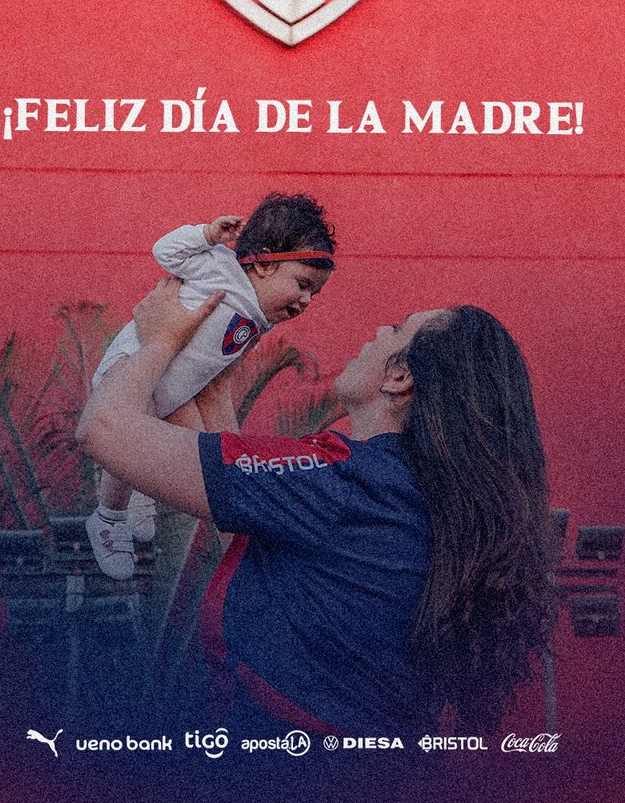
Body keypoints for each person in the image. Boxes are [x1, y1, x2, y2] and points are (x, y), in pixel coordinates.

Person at [76, 279, 557, 738]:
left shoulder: (341, 481)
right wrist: (211, 388)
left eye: (396, 328)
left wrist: (158, 340)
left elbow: (104, 428)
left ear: (400, 376)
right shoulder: (409, 492)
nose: (376, 333)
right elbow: (271, 546)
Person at [85, 193, 336, 578]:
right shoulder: (221, 269)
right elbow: (165, 252)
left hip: (177, 390)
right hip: (134, 370)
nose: (306, 301)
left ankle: (143, 493)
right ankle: (109, 518)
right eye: (302, 284)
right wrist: (206, 235)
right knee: (133, 434)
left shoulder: (259, 316)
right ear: (265, 264)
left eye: (313, 294)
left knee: (204, 463)